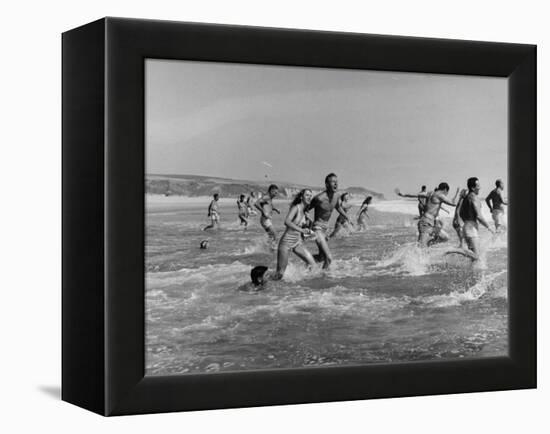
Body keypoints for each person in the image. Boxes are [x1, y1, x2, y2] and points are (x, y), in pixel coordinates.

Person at [271, 189, 316, 280]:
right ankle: (262, 285)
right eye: (307, 195)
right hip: (286, 242)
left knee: (312, 264)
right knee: (280, 274)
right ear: (301, 197)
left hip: (297, 242)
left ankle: (301, 284)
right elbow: (287, 222)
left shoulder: (305, 211)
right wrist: (302, 230)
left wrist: (309, 226)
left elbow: (305, 228)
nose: (309, 197)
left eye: (310, 195)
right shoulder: (296, 207)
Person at [309, 173, 351, 269]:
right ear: (327, 184)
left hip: (325, 230)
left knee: (322, 257)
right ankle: (322, 278)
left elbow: (338, 207)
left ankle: (307, 262)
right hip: (317, 229)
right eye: (333, 182)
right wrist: (307, 222)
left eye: (336, 182)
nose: (336, 184)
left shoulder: (336, 196)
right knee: (329, 259)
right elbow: (305, 209)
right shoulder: (319, 198)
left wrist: (346, 216)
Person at [454, 177, 494, 260]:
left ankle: (473, 272)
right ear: (473, 187)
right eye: (478, 186)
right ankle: (455, 250)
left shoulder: (466, 198)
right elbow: (479, 216)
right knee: (477, 257)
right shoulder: (474, 198)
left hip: (467, 226)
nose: (480, 187)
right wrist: (489, 227)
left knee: (473, 258)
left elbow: (461, 213)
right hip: (471, 229)